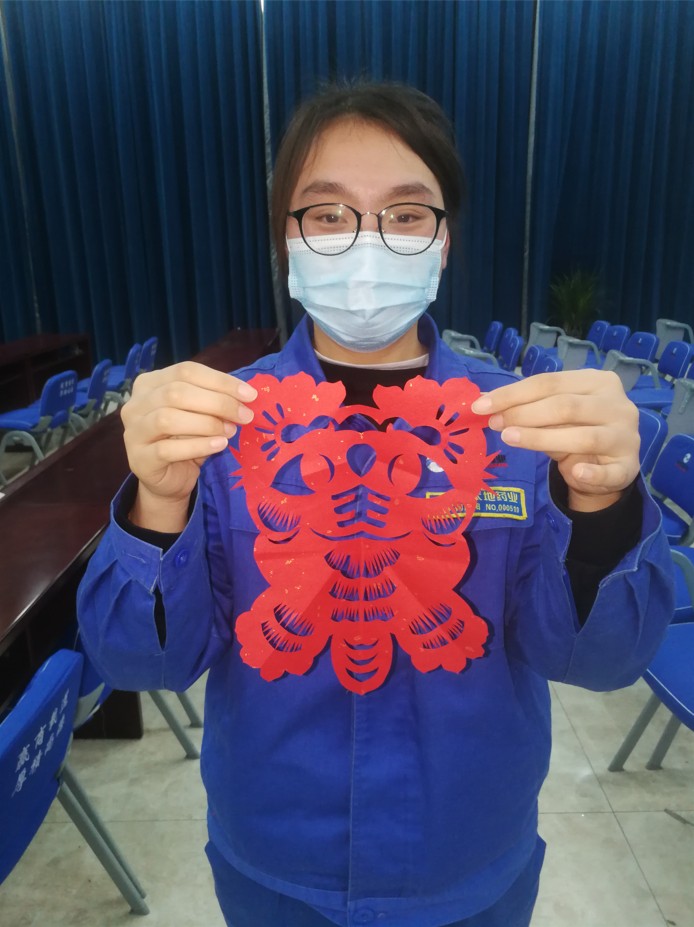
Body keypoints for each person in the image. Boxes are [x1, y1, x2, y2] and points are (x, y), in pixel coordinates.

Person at [77, 82, 673, 927]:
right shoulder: (215, 429)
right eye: (328, 214)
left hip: (468, 862)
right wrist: (157, 501)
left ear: (443, 241)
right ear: (287, 239)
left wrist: (602, 503)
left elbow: (600, 660)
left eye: (405, 214)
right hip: (278, 866)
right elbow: (141, 666)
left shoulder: (521, 427)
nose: (366, 241)